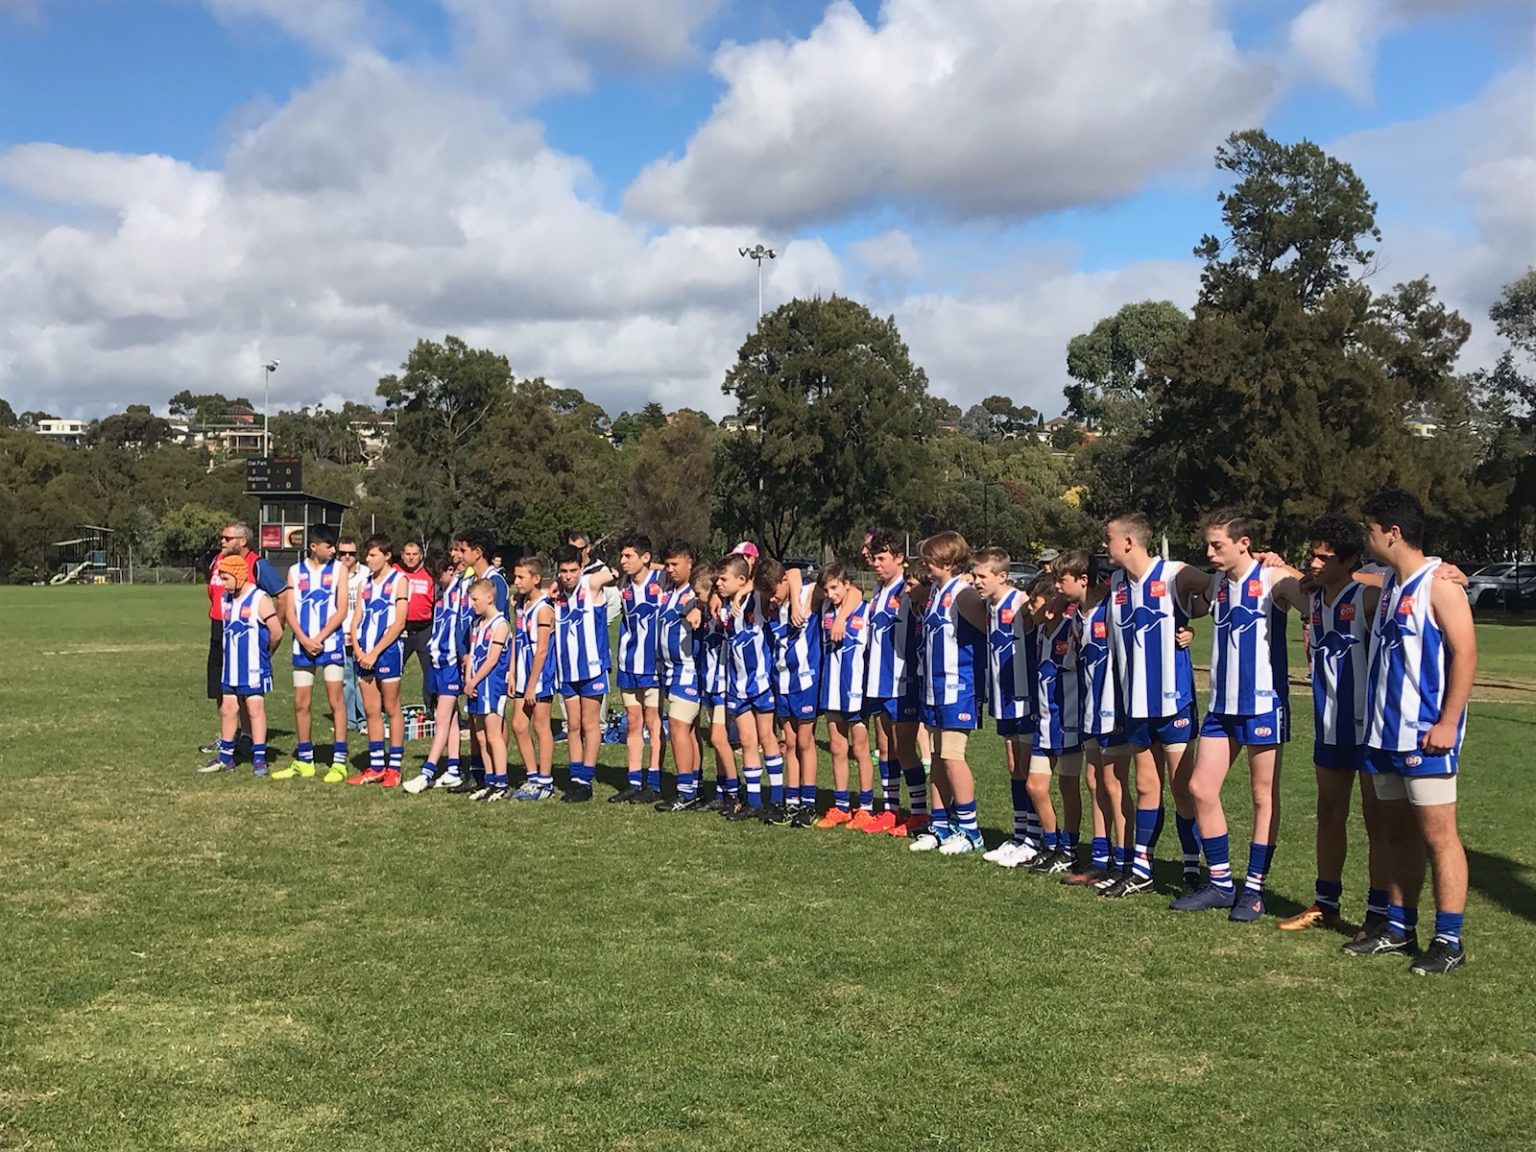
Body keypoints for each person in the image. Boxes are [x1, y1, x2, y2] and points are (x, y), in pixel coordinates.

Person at [1345, 490, 1475, 976]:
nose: (1367, 536)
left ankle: (1450, 939)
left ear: (1392, 533)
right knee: (1394, 834)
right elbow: (1337, 577)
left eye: (1370, 528)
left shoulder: (1440, 586)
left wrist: (1446, 722)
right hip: (1384, 736)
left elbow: (1465, 653)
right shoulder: (1388, 583)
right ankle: (1399, 928)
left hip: (1426, 737)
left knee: (1439, 837)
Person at [1172, 510, 1307, 921]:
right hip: (1221, 706)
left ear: (1243, 542)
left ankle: (1254, 888)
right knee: (1199, 787)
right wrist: (1190, 632)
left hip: (1263, 704)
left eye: (1218, 545)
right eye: (1208, 545)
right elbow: (1189, 602)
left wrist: (1285, 565)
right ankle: (1220, 883)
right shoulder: (1216, 584)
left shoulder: (1270, 579)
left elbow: (1314, 598)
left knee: (1262, 795)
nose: (1209, 552)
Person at [1277, 515, 1387, 934]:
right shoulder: (1315, 598)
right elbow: (1278, 576)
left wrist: (1448, 573)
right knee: (1328, 814)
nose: (1316, 564)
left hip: (1368, 729)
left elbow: (1415, 590)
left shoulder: (1368, 598)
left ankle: (1378, 915)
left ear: (1350, 561)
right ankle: (1326, 903)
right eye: (1313, 556)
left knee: (1376, 821)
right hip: (1329, 726)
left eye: (1326, 558)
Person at [1099, 512, 1209, 899]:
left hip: (1173, 700)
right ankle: (1141, 869)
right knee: (1146, 786)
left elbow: (1214, 589)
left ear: (1129, 542)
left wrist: (1193, 620)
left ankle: (1193, 866)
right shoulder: (1115, 583)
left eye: (1109, 537)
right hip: (1136, 704)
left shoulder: (1174, 573)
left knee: (1183, 789)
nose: (1105, 544)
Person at [910, 532, 989, 855]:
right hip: (934, 687)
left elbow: (988, 627)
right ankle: (940, 825)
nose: (926, 565)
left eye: (930, 558)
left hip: (959, 686)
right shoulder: (936, 592)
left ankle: (970, 830)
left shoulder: (963, 593)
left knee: (954, 757)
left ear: (945, 560)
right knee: (939, 760)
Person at [1057, 549, 1131, 889]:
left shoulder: (1111, 608)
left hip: (1113, 709)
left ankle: (1124, 857)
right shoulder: (1076, 616)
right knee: (1094, 781)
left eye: (1063, 579)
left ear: (1083, 579)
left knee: (1114, 784)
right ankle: (1100, 856)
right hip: (1090, 709)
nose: (1057, 586)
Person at [970, 549, 1040, 868]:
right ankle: (1020, 832)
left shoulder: (1021, 602)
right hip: (1004, 696)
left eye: (981, 576)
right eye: (974, 576)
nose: (975, 582)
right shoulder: (990, 606)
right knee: (1013, 763)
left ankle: (1033, 838)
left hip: (1025, 697)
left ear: (1002, 576)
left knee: (1026, 765)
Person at [861, 530, 928, 837]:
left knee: (905, 748)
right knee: (886, 747)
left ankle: (918, 812)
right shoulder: (879, 591)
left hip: (902, 681)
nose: (876, 564)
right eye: (873, 558)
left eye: (882, 558)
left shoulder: (907, 589)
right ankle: (890, 809)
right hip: (879, 681)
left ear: (899, 558)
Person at [199, 520, 286, 757]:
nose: (222, 542)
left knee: (248, 692)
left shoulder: (257, 565)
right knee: (220, 685)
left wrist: (272, 632)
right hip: (221, 628)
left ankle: (248, 737)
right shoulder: (218, 560)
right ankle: (227, 736)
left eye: (228, 538)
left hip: (250, 631)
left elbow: (282, 594)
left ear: (242, 541)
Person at [273, 524, 349, 781]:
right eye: (329, 546)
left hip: (330, 644)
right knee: (300, 702)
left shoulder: (339, 570)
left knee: (335, 700)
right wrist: (305, 639)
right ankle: (305, 759)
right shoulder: (295, 571)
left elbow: (341, 610)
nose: (333, 550)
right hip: (302, 645)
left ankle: (339, 761)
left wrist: (319, 638)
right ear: (314, 546)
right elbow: (290, 611)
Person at [1024, 572, 1085, 876]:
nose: (1028, 608)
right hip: (1044, 722)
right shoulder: (1039, 633)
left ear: (1049, 604)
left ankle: (1070, 848)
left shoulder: (1070, 629)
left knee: (1068, 785)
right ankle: (1050, 844)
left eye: (1033, 601)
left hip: (1069, 722)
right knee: (1035, 785)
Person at [718, 552, 783, 821]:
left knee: (767, 738)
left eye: (724, 579)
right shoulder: (725, 608)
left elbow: (780, 574)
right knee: (747, 741)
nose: (719, 583)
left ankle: (777, 799)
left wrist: (745, 589)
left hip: (761, 683)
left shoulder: (757, 598)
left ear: (742, 579)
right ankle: (754, 802)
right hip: (737, 685)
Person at [815, 562, 876, 831]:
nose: (830, 593)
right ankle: (841, 805)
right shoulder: (825, 611)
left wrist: (844, 615)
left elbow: (858, 595)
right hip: (831, 689)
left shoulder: (864, 610)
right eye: (826, 589)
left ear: (846, 584)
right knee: (838, 748)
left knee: (861, 749)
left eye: (834, 587)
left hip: (856, 691)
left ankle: (865, 807)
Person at [552, 544, 614, 802]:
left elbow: (617, 571)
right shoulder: (556, 593)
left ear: (582, 567)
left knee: (590, 724)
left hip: (592, 668)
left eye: (573, 570)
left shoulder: (590, 584)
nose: (568, 576)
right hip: (567, 670)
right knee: (573, 725)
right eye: (564, 571)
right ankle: (575, 777)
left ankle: (586, 780)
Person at [403, 550, 469, 794]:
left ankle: (427, 772)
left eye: (438, 575)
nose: (435, 580)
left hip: (452, 662)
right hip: (438, 659)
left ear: (450, 571)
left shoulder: (461, 588)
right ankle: (453, 768)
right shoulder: (440, 591)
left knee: (441, 717)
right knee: (449, 716)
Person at [347, 535, 409, 788]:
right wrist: (359, 648)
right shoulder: (366, 583)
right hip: (364, 652)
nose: (367, 560)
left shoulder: (399, 581)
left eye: (372, 555)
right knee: (371, 709)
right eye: (367, 555)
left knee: (391, 708)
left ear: (386, 555)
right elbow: (356, 618)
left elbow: (399, 622)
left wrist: (375, 652)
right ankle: (375, 766)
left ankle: (394, 767)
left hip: (388, 651)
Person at [451, 528, 510, 792]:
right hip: (471, 660)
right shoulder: (467, 580)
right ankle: (480, 774)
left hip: (490, 672)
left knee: (492, 725)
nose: (458, 555)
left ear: (478, 552)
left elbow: (501, 624)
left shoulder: (494, 581)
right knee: (477, 726)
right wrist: (465, 654)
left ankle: (497, 777)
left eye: (463, 550)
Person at [611, 535, 666, 805]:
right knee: (633, 722)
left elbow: (674, 568)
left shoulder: (661, 582)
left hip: (653, 665)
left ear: (645, 558)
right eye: (621, 556)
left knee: (654, 723)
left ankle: (654, 783)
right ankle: (633, 781)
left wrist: (652, 566)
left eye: (628, 556)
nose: (623, 562)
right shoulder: (623, 584)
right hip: (627, 662)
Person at [769, 563, 821, 826]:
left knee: (804, 741)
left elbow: (794, 572)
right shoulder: (773, 607)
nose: (771, 597)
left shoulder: (806, 595)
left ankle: (809, 803)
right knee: (788, 742)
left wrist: (798, 605)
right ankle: (792, 801)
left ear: (783, 581)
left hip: (805, 681)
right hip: (782, 681)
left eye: (774, 590)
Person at [654, 543, 705, 812]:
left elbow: (705, 602)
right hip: (669, 671)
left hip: (687, 671)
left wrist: (698, 606)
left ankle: (685, 792)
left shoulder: (695, 594)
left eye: (676, 564)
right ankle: (694, 786)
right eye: (668, 564)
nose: (670, 570)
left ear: (690, 564)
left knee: (677, 728)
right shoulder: (668, 590)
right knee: (689, 730)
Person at [510, 555, 558, 801]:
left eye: (521, 577)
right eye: (515, 576)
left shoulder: (543, 609)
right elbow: (518, 641)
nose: (516, 582)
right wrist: (512, 673)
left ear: (536, 579)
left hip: (539, 677)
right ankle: (532, 776)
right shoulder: (521, 606)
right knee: (518, 725)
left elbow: (541, 650)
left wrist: (531, 685)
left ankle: (546, 781)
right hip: (522, 675)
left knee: (540, 726)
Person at [463, 577, 513, 801]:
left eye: (475, 599)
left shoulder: (500, 625)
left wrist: (474, 681)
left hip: (491, 685)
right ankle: (490, 779)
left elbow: (492, 659)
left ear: (489, 598)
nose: (472, 604)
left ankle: (502, 782)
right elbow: (472, 653)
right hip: (475, 684)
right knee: (481, 736)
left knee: (494, 735)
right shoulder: (477, 623)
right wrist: (468, 679)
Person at [695, 565, 739, 812]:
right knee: (717, 739)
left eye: (699, 595)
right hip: (710, 682)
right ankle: (723, 791)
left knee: (719, 739)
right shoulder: (706, 612)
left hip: (724, 682)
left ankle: (734, 793)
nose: (697, 601)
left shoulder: (726, 609)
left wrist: (714, 597)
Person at [396, 540, 437, 710]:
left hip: (424, 629)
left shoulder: (429, 573)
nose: (411, 558)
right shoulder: (394, 571)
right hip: (400, 629)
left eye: (415, 554)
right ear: (402, 554)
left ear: (421, 555)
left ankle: (431, 708)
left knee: (429, 671)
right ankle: (387, 708)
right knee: (393, 670)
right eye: (408, 554)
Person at [338, 534, 368, 735]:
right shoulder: (332, 574)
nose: (347, 557)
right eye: (343, 553)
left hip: (362, 633)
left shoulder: (365, 574)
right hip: (339, 633)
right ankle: (350, 719)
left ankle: (365, 718)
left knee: (363, 678)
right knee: (346, 678)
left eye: (351, 553)